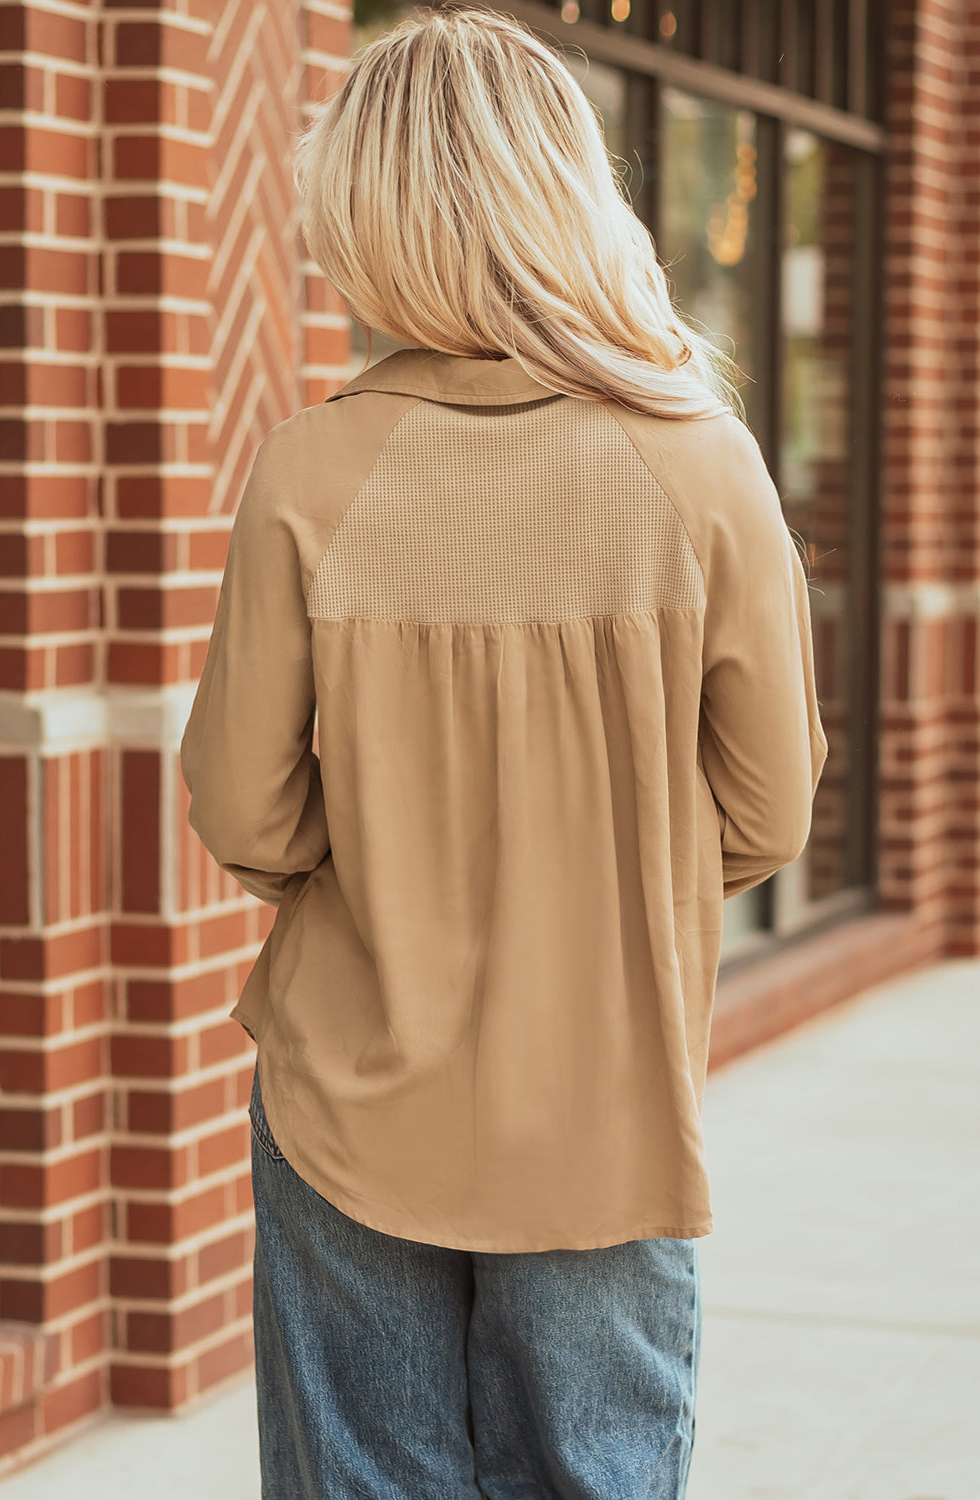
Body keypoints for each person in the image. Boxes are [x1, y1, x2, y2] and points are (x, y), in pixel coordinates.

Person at [179, 6, 828, 1496]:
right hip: (608, 1094)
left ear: (376, 217)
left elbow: (246, 815)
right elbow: (769, 812)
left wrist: (393, 863)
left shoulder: (312, 468)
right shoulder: (701, 462)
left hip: (349, 1083)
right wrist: (603, 882)